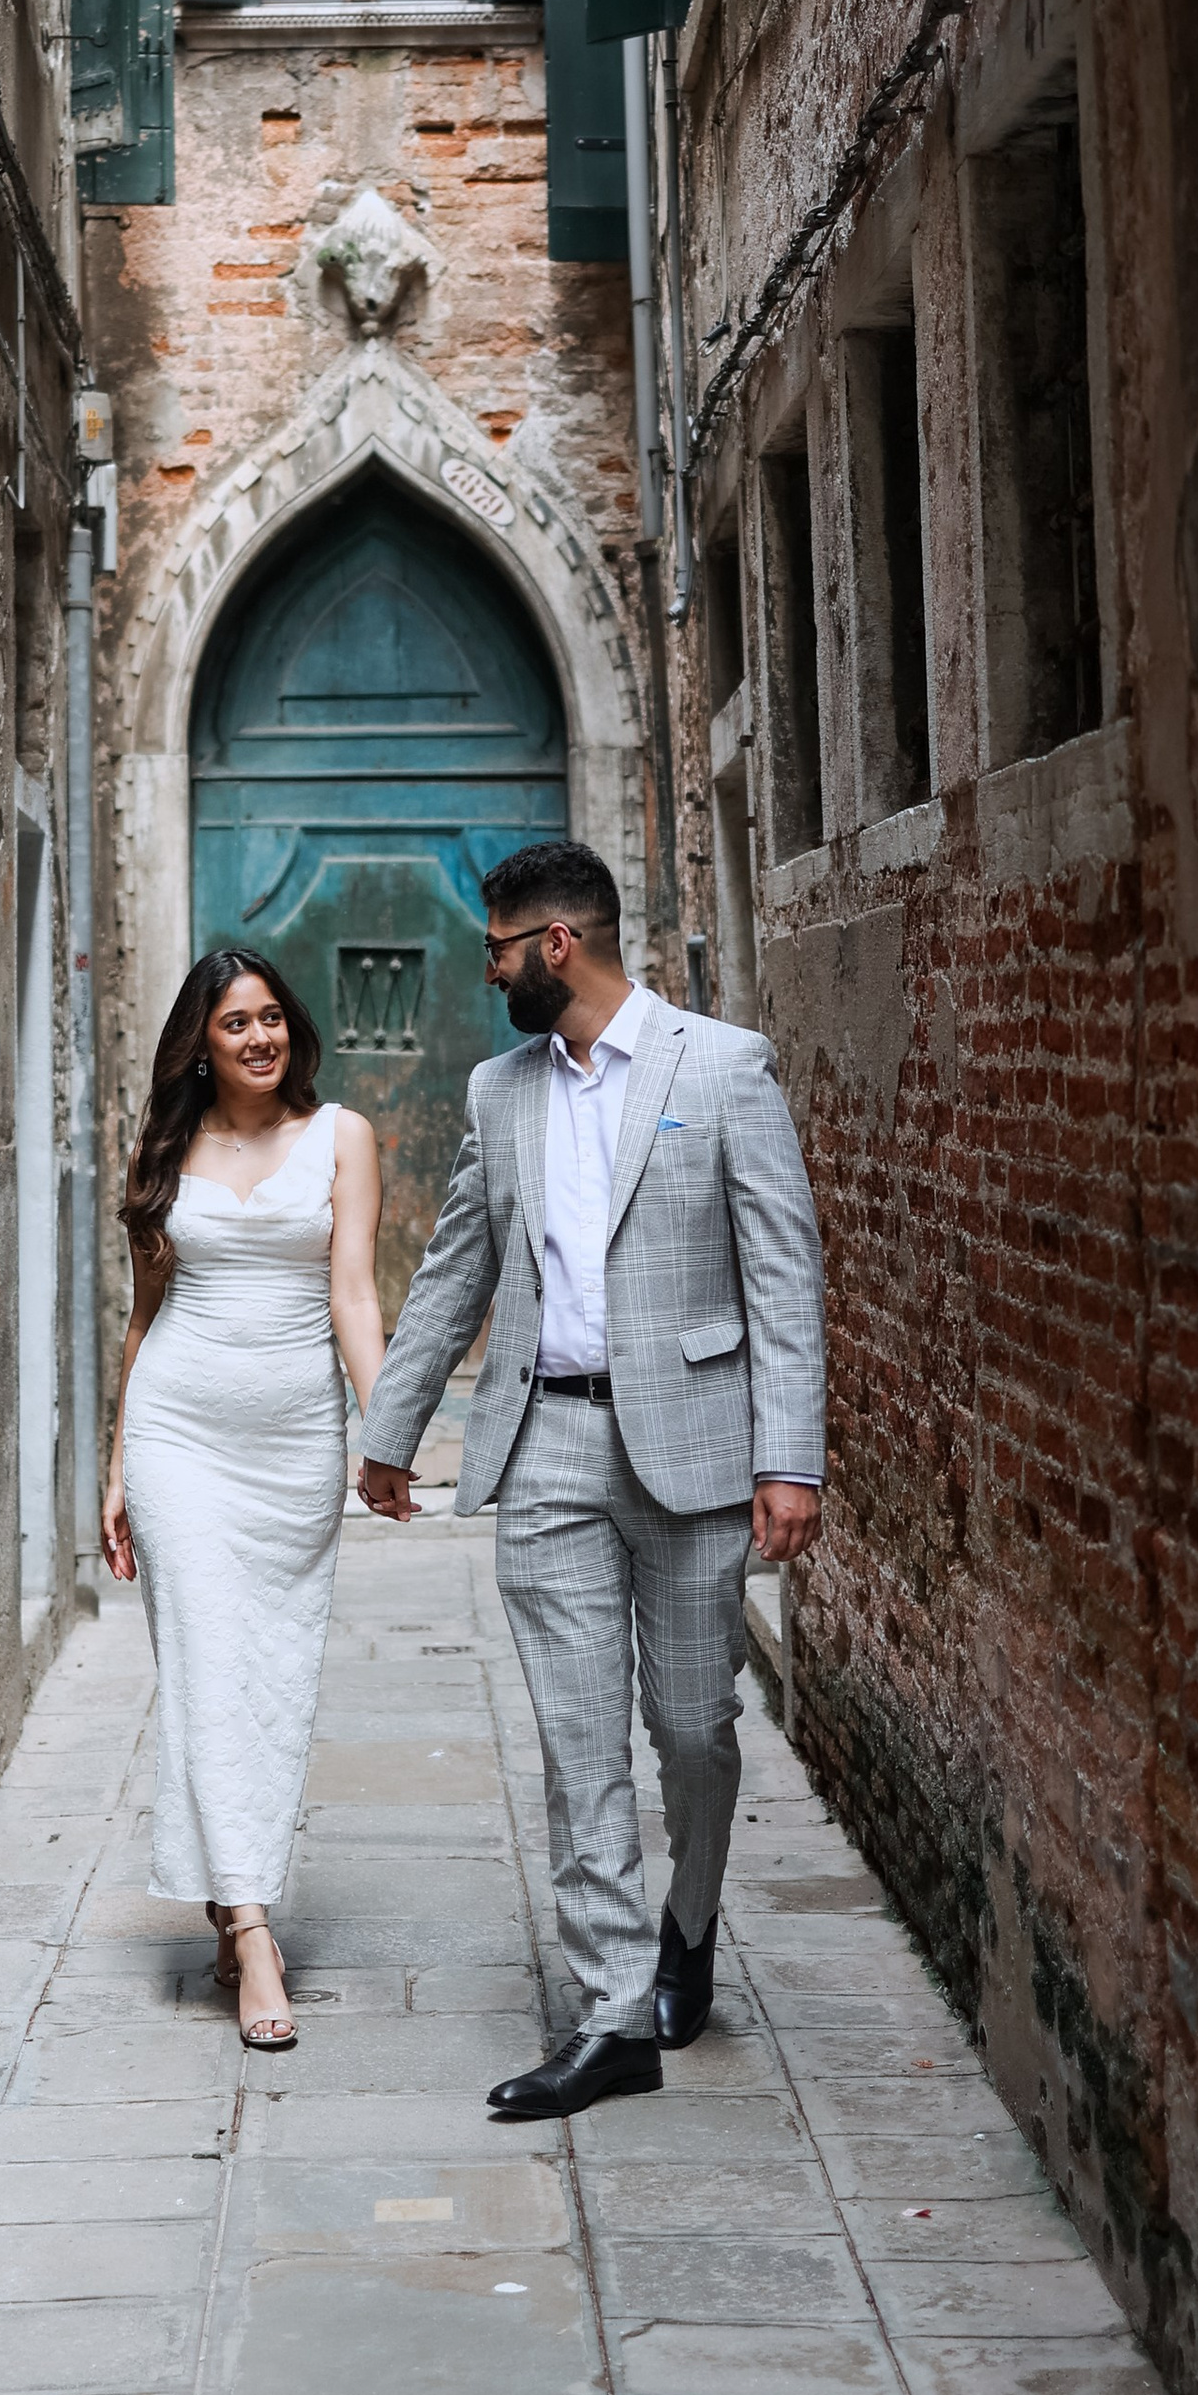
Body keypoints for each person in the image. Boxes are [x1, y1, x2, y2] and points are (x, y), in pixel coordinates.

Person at [355, 840, 826, 2118]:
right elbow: (457, 1266)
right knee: (579, 1745)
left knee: (692, 1727)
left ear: (554, 945)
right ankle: (612, 2013)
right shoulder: (497, 1091)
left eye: (496, 949)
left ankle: (689, 1923)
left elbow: (782, 1272)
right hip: (546, 1442)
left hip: (694, 1444)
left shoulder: (718, 1066)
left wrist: (789, 1457)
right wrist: (391, 1430)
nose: (487, 971)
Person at [102, 946, 387, 2051]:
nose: (259, 1037)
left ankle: (231, 1892)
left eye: (271, 1017)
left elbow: (354, 1295)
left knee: (270, 1672)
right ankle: (255, 1929)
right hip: (178, 1434)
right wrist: (119, 1465)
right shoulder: (164, 1150)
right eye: (235, 1023)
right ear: (201, 1044)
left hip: (292, 1444)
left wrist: (385, 1433)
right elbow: (145, 1317)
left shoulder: (342, 1136)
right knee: (206, 1665)